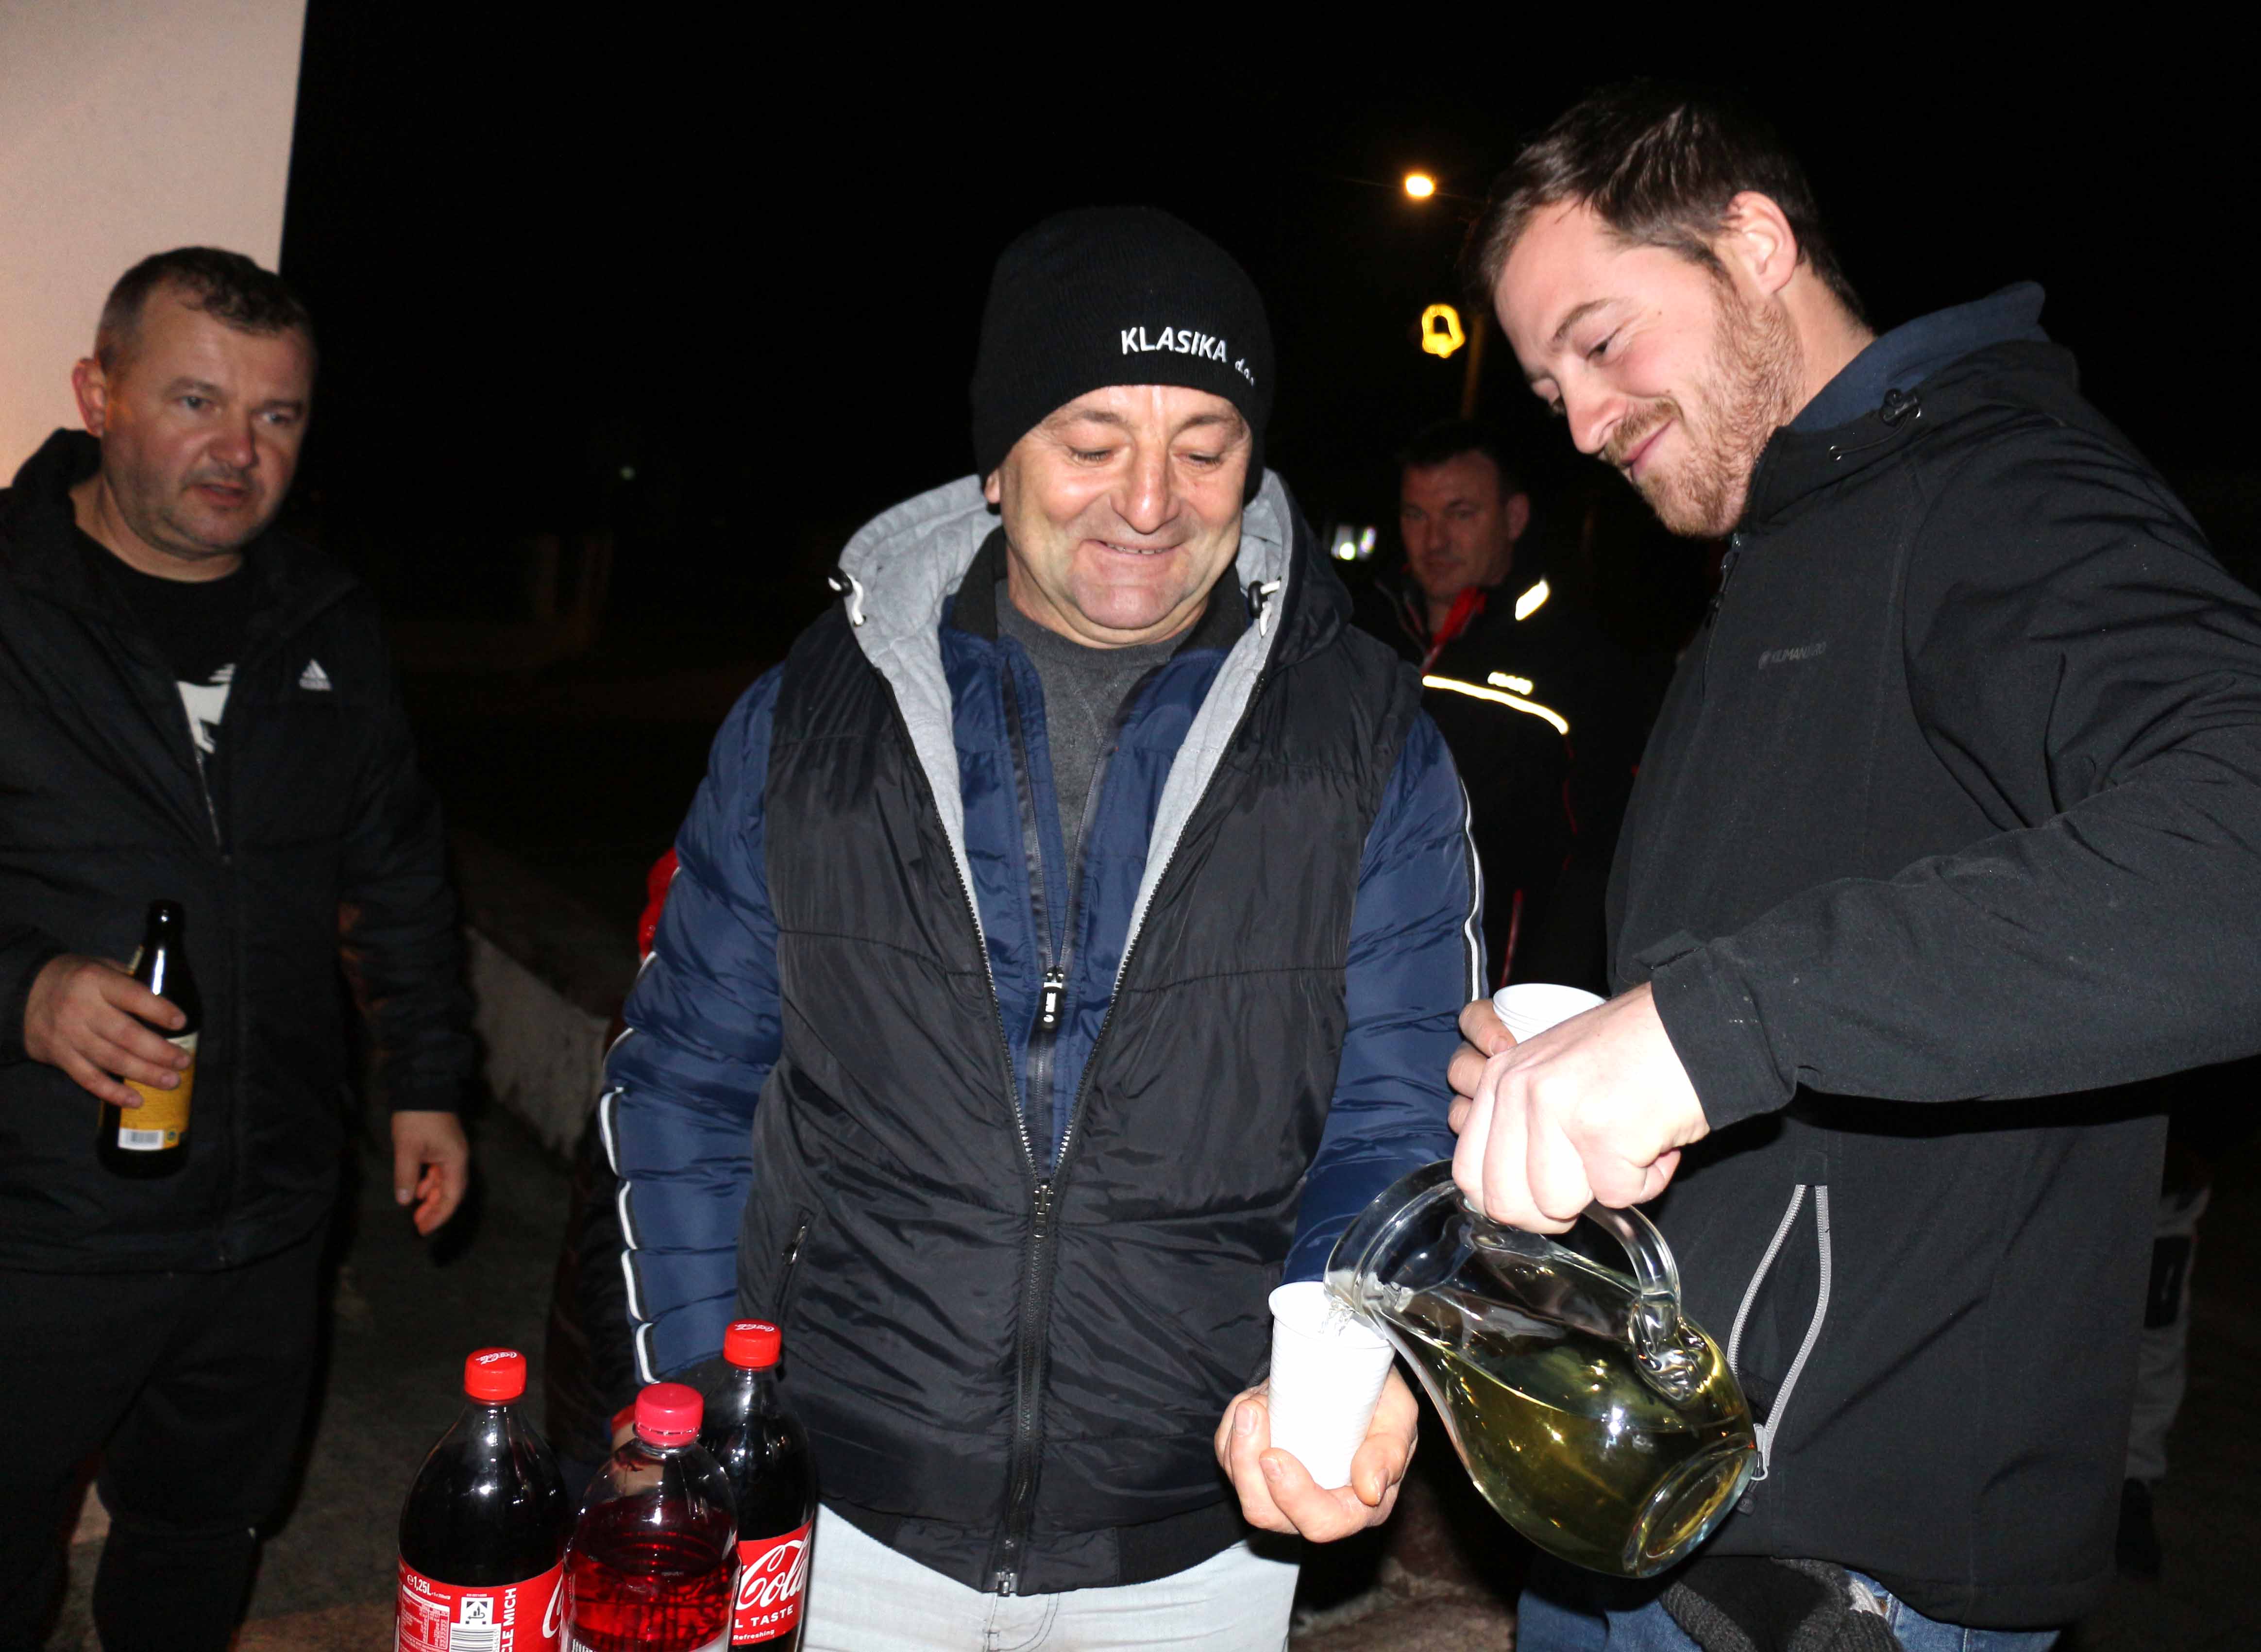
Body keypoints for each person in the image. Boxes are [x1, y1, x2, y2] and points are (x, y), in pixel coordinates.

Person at [1445, 83, 2261, 1651]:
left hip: (1840, 1583)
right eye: (1548, 390)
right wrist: (1586, 1053)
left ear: (1752, 244)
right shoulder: (1772, 549)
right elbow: (1819, 963)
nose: (1583, 421)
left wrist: (1697, 1034)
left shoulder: (1991, 489)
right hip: (1653, 1520)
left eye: (1601, 343)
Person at [595, 207, 1474, 1649]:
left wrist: (1338, 1367)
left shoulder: (1367, 738)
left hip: (1198, 1526)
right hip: (838, 1511)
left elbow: (1394, 1121)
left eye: (1204, 446)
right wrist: (688, 1411)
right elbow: (687, 1084)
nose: (1149, 501)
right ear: (997, 460)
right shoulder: (814, 722)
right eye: (1089, 442)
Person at [0, 248, 473, 1650]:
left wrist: (426, 1078)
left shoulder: (322, 617)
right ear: (99, 394)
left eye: (277, 415)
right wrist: (22, 990)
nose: (238, 450)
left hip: (266, 1214)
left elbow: (395, 857)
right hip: (35, 1222)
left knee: (204, 1533)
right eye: (197, 401)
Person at [1355, 420, 1658, 988]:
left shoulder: (1573, 659)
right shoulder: (1360, 631)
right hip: (1354, 979)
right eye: (1416, 515)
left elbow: (1604, 855)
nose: (1435, 540)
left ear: (1513, 518)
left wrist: (1542, 999)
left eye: (1461, 513)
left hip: (1492, 994)